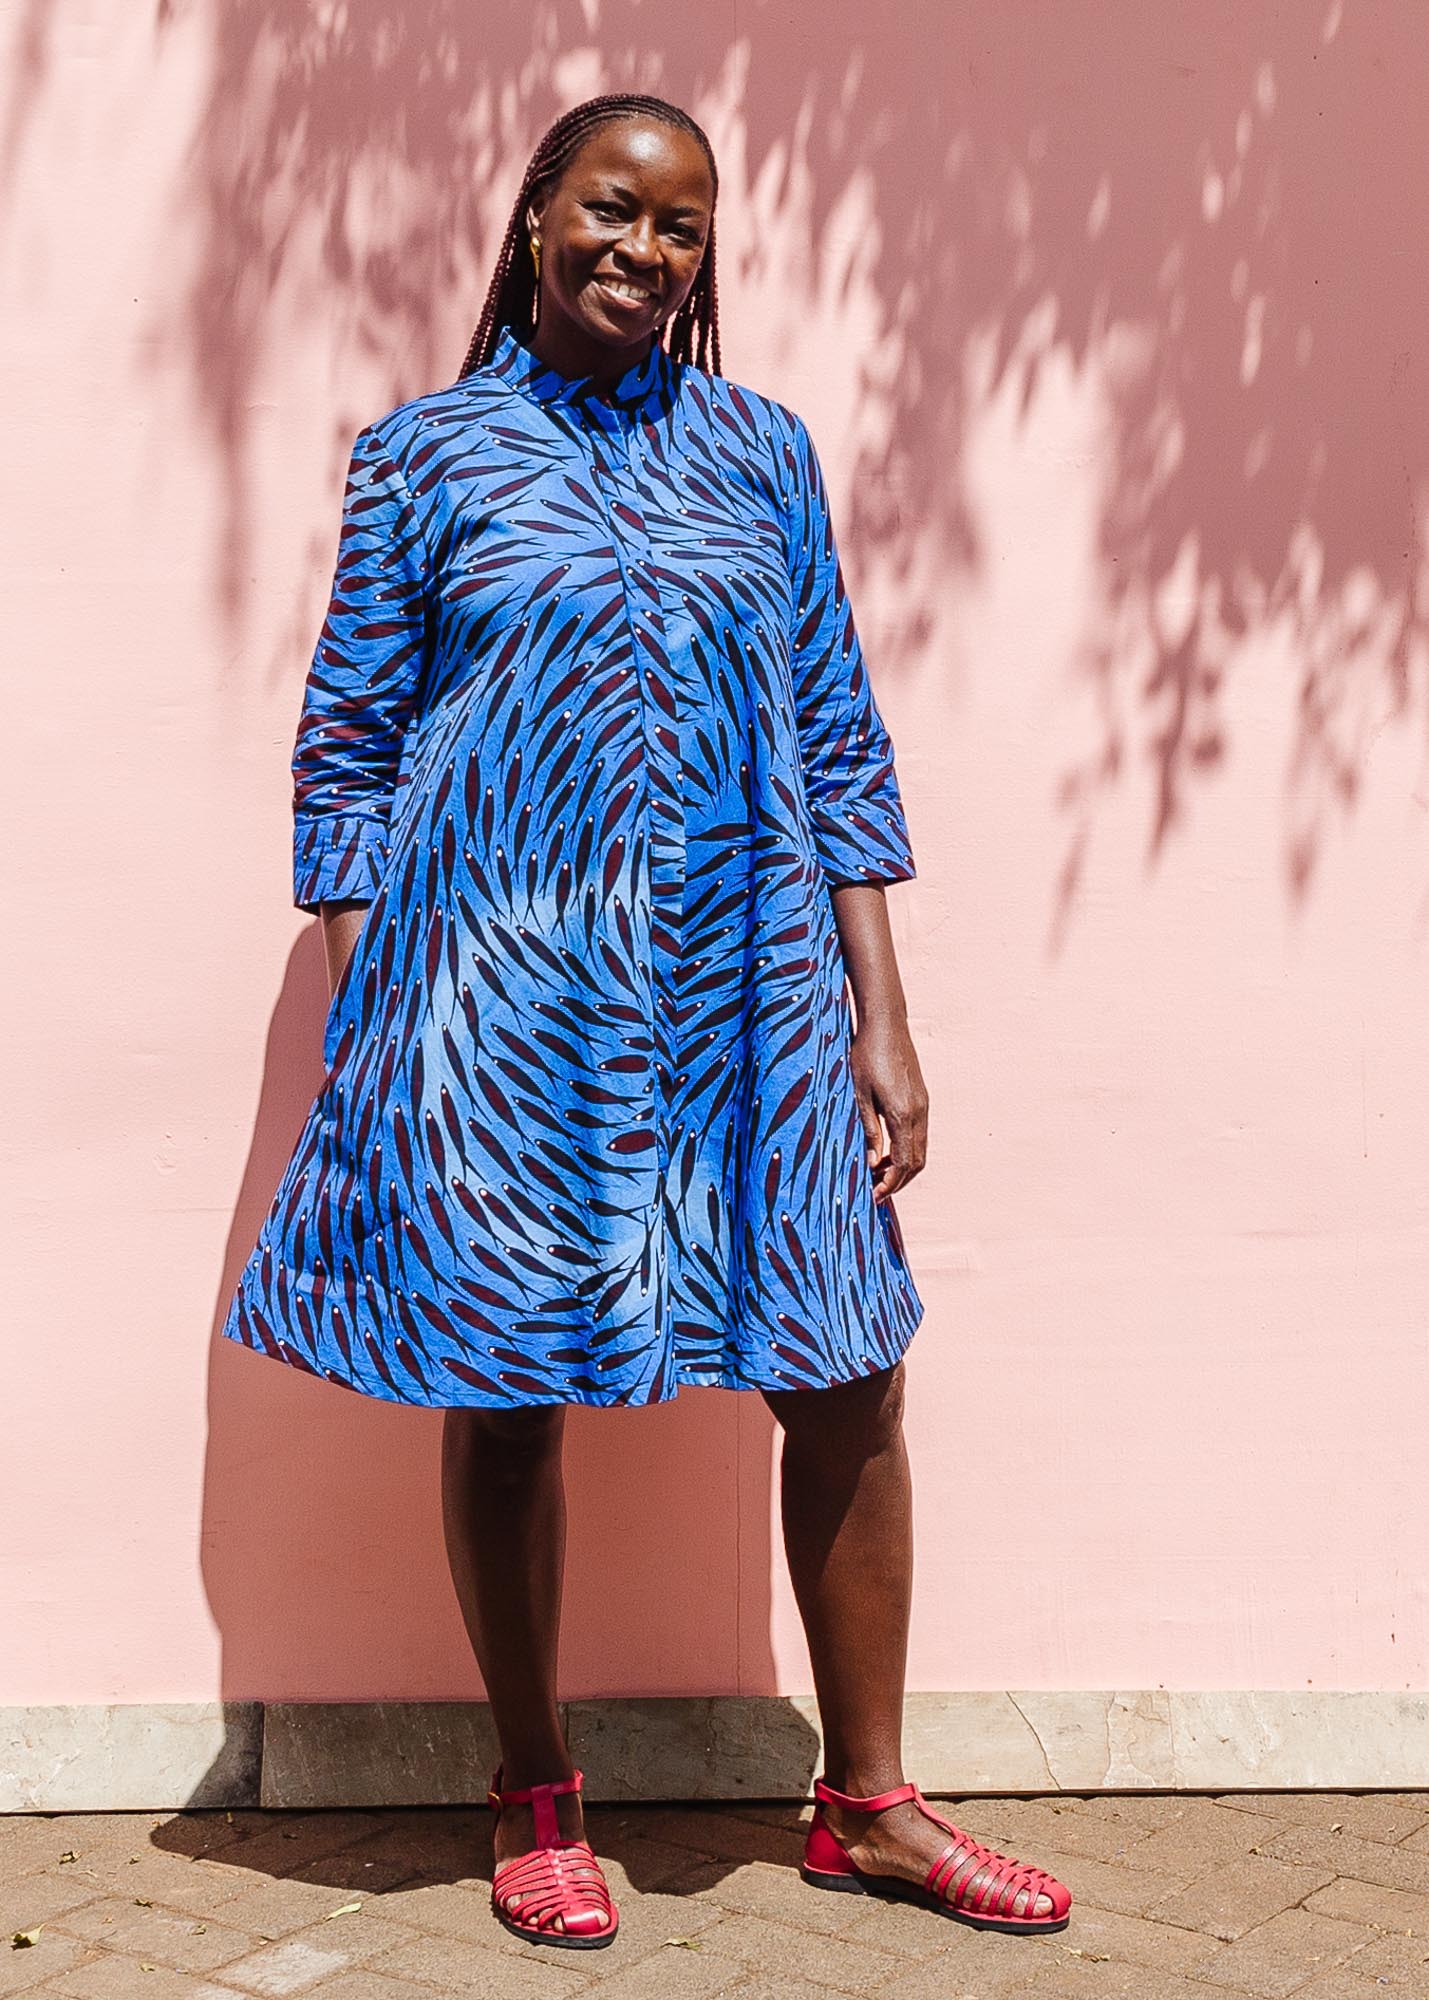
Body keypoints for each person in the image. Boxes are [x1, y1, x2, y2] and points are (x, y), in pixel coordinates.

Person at [221, 90, 1070, 1952]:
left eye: (680, 229)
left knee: (846, 1366)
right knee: (511, 1387)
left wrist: (883, 1013)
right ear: (534, 217)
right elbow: (350, 753)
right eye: (612, 209)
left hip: (746, 986)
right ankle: (535, 1794)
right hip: (500, 992)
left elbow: (834, 731)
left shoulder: (762, 455)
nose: (641, 249)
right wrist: (389, 1014)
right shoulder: (423, 458)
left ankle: (866, 1803)